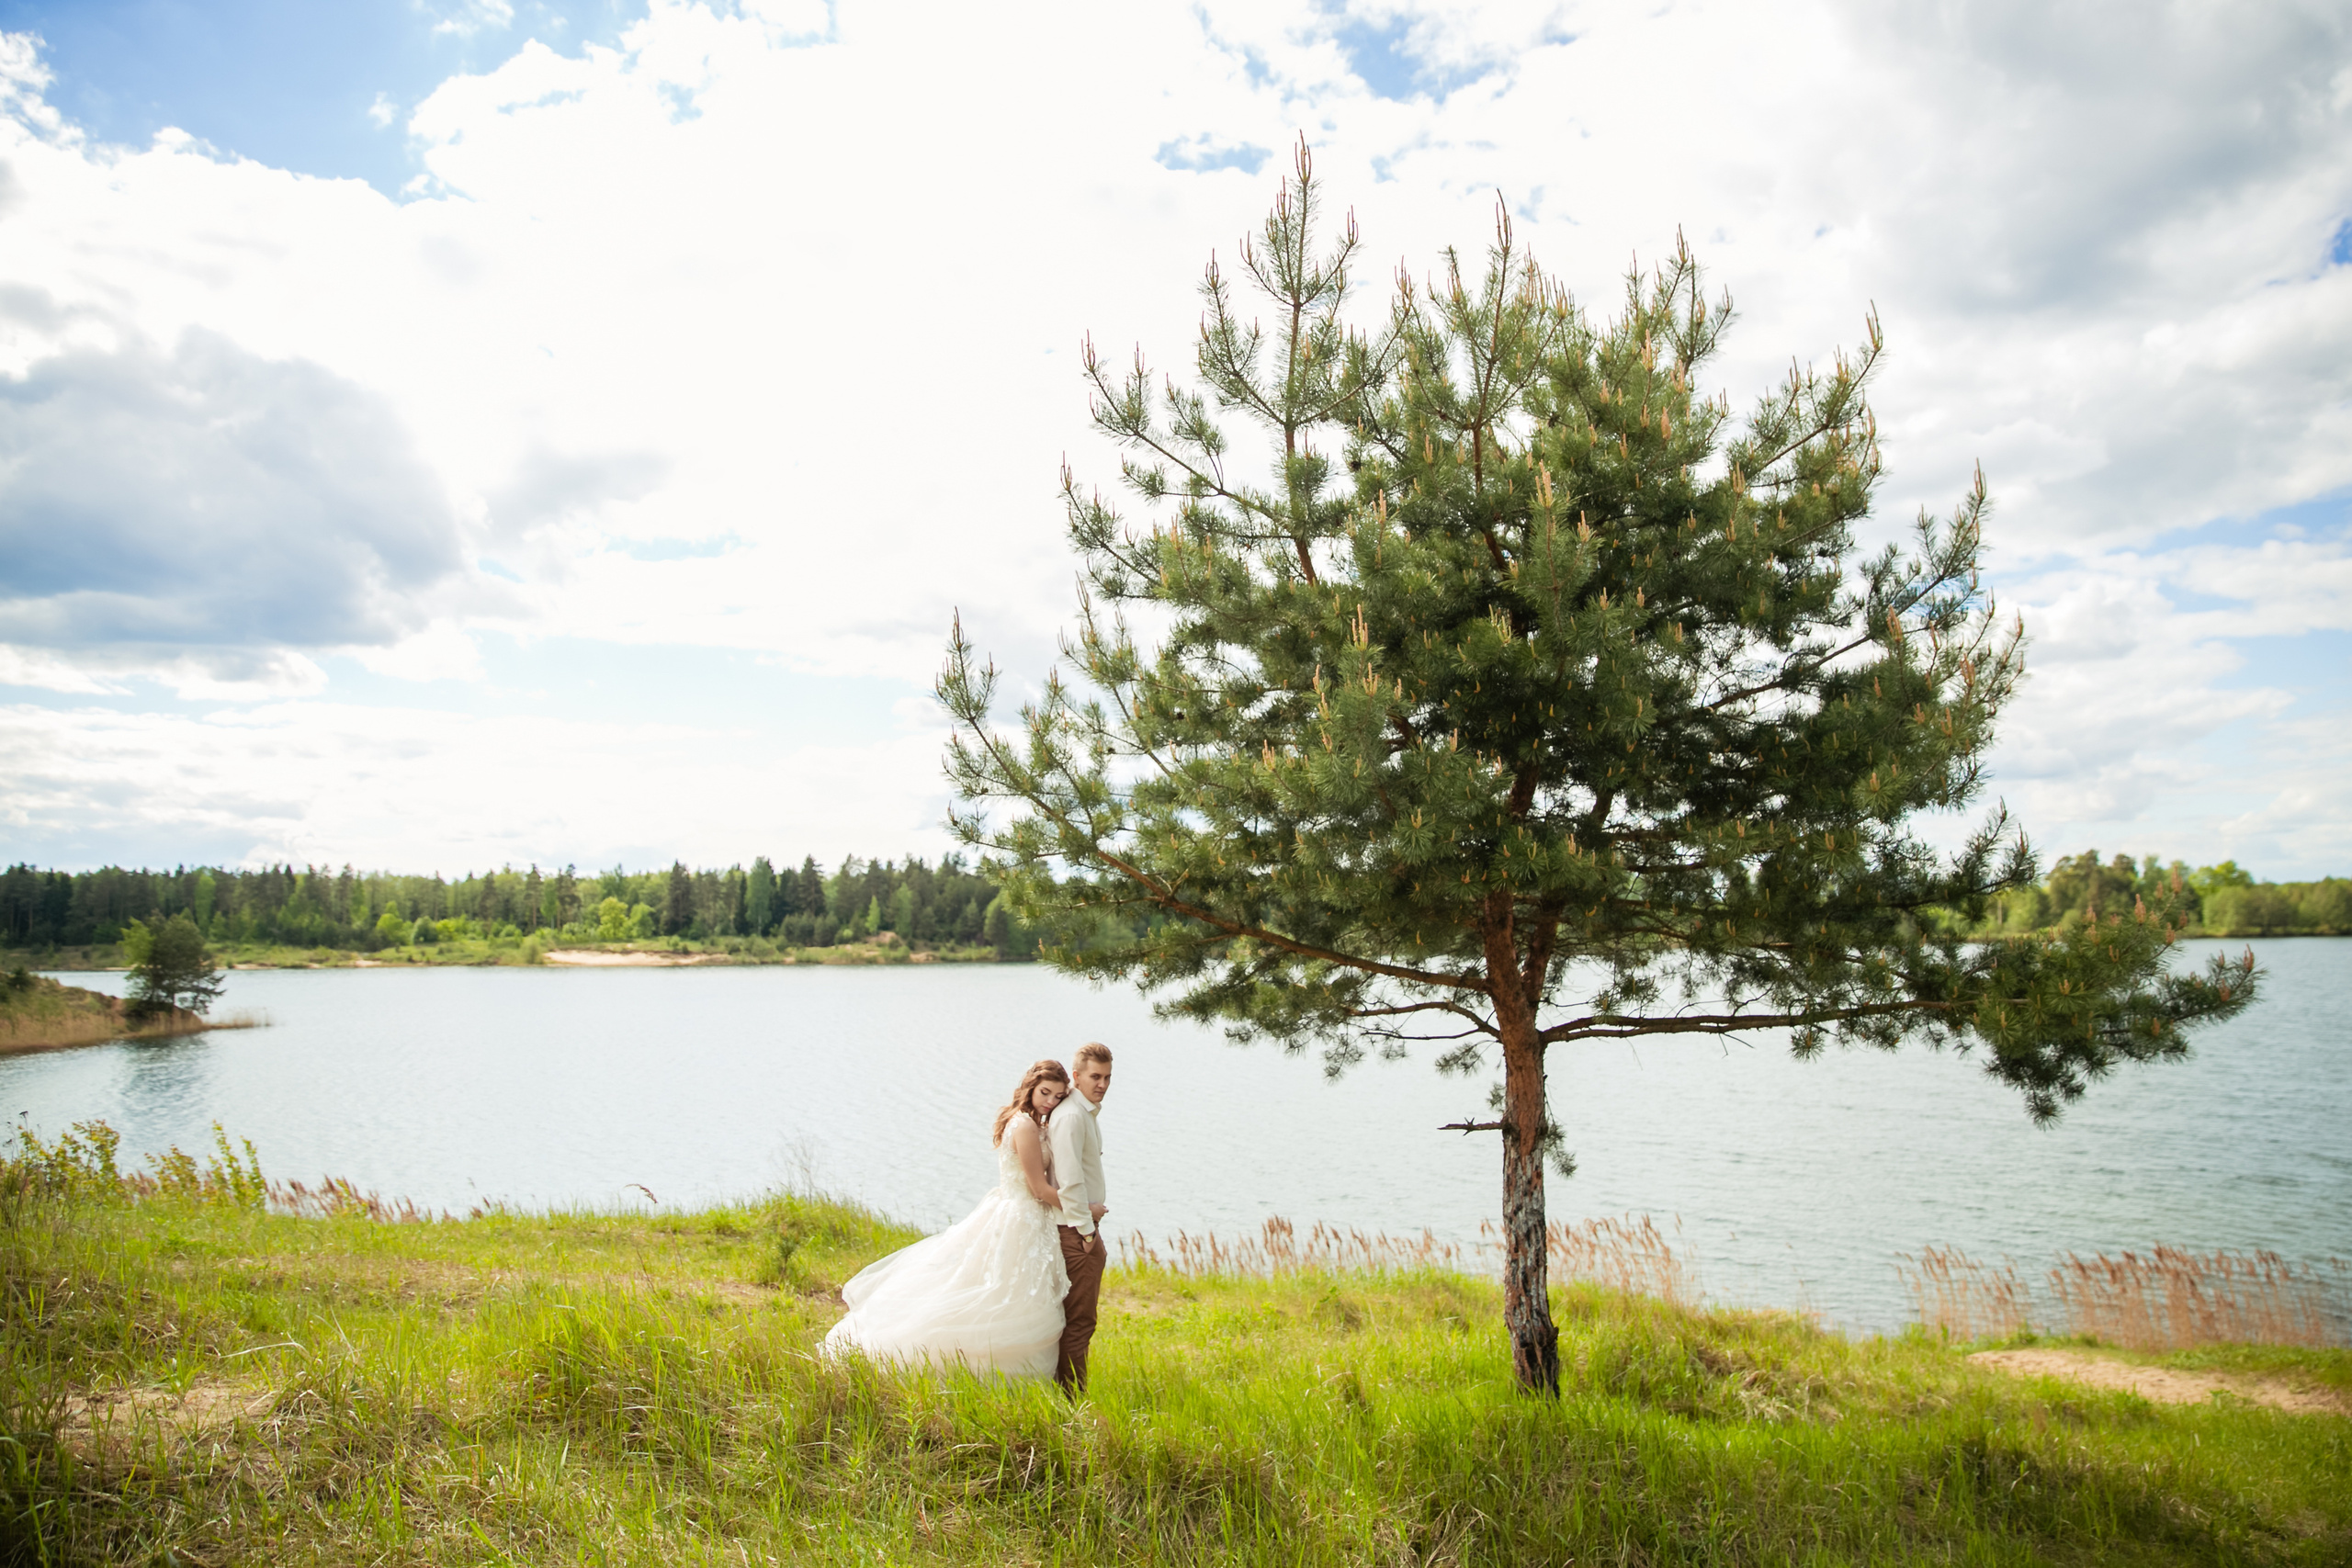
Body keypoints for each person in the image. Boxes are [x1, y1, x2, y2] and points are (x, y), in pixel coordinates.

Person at [820, 1059, 1073, 1379]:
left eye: (1058, 1096)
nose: (1051, 1101)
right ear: (1030, 1089)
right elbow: (1039, 1188)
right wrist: (1082, 1207)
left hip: (1021, 1215)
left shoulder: (1031, 1122)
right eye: (1045, 1093)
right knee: (1006, 1296)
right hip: (1020, 1216)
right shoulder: (1024, 1126)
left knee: (1011, 1294)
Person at [1046, 1042, 1113, 1393]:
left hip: (1077, 1227)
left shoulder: (1082, 1111)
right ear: (1077, 1076)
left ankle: (1065, 1394)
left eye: (1107, 1077)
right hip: (1076, 1233)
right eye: (1095, 1077)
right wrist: (1087, 1234)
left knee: (1075, 1321)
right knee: (1079, 1323)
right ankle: (1072, 1401)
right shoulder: (1072, 1117)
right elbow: (1070, 1183)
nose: (1102, 1084)